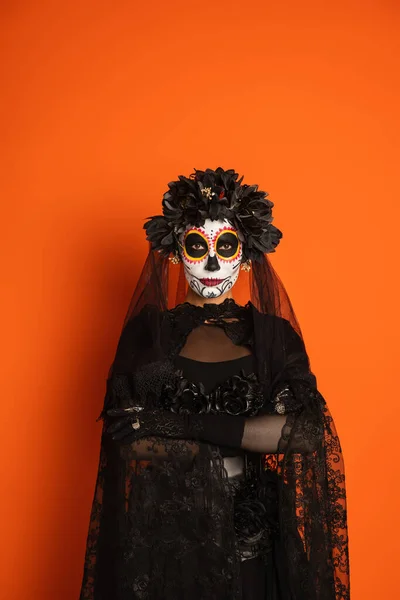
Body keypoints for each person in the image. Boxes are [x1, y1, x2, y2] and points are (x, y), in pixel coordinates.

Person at [79, 167, 350, 600]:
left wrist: (179, 425)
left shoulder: (272, 335)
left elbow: (304, 431)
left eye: (225, 247)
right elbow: (124, 438)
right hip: (166, 541)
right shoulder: (148, 334)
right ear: (173, 254)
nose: (210, 262)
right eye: (196, 245)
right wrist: (244, 436)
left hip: (252, 540)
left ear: (245, 256)